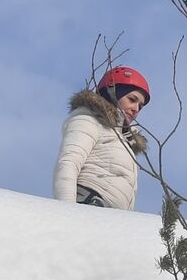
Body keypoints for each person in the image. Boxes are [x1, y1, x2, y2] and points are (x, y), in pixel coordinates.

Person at [53, 66, 150, 210]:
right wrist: (68, 213)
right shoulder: (88, 119)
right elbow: (68, 164)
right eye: (132, 99)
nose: (136, 109)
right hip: (88, 208)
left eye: (140, 106)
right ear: (113, 93)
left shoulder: (125, 140)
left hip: (113, 218)